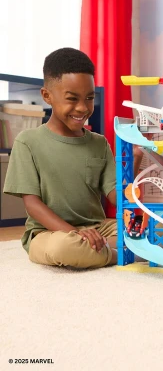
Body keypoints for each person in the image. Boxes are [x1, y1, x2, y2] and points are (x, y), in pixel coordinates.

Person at [3, 47, 118, 268]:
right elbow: (32, 204)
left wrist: (135, 159)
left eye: (89, 98)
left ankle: (99, 250)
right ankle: (118, 255)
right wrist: (74, 233)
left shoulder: (99, 143)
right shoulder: (27, 142)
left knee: (153, 232)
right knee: (63, 248)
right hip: (48, 233)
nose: (82, 108)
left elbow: (116, 197)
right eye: (72, 99)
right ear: (47, 96)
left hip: (98, 228)